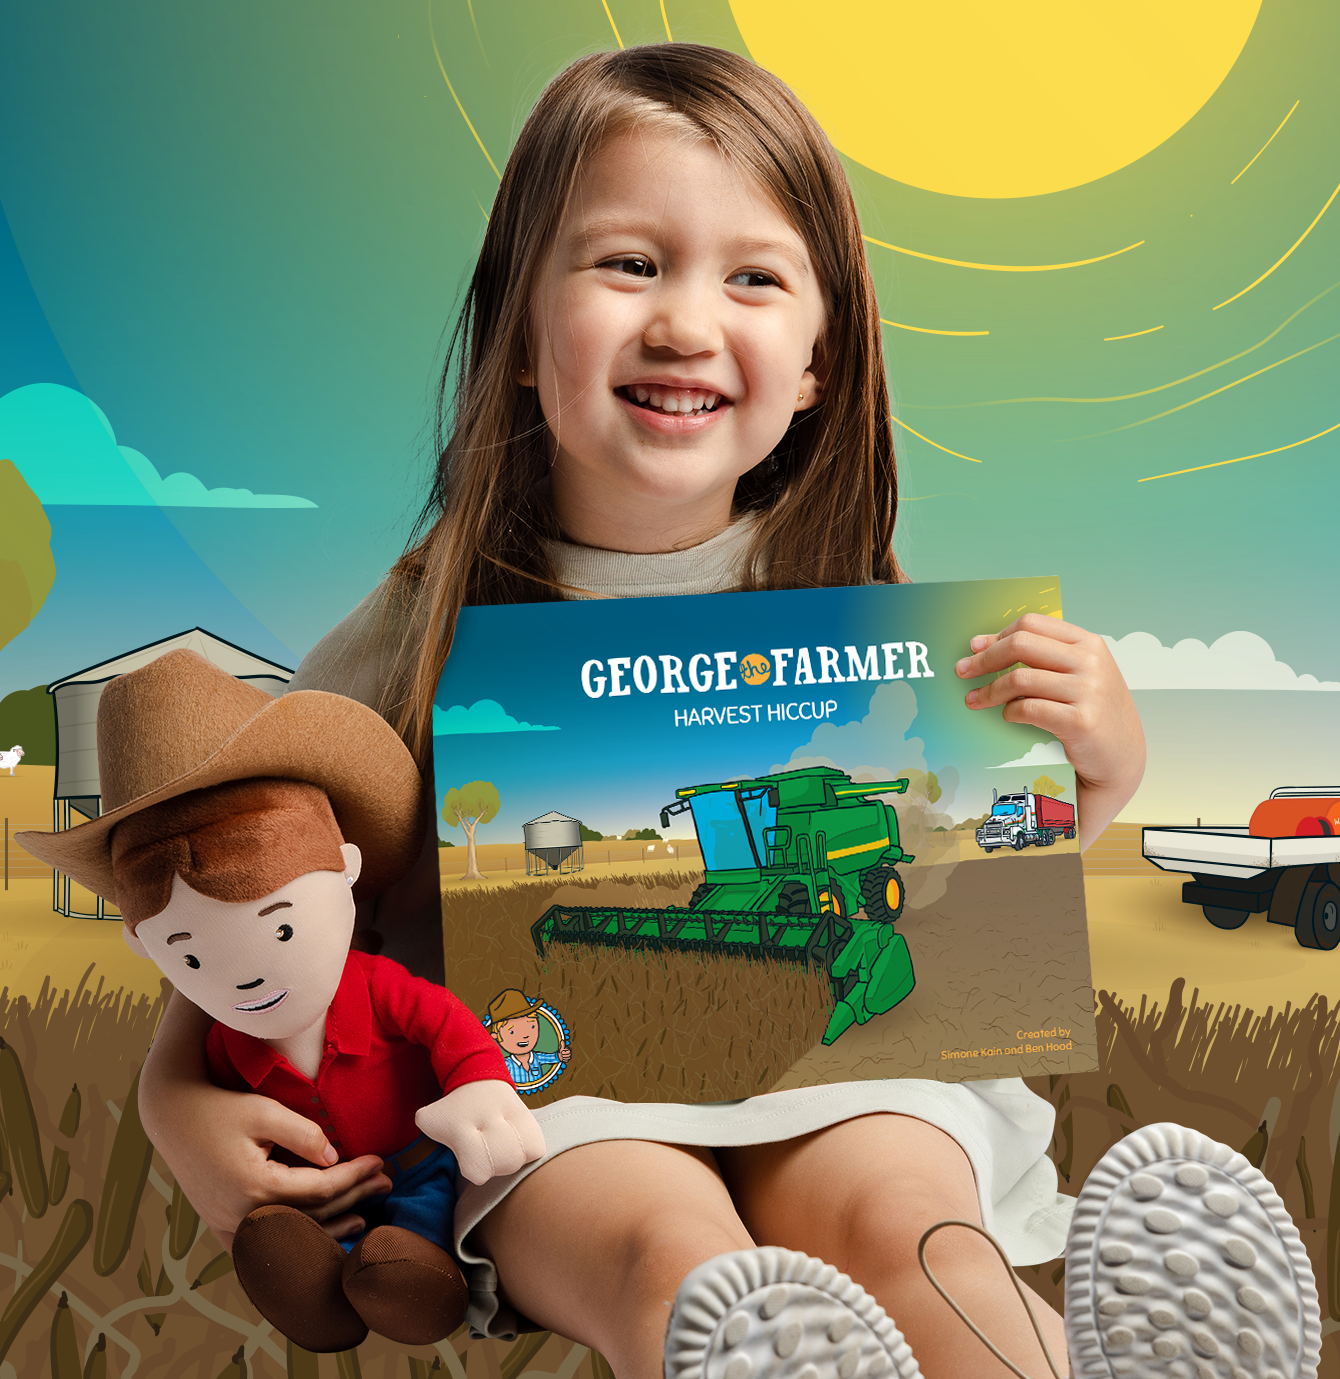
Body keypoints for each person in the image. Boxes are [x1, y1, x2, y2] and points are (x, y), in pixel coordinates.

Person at [131, 43, 1313, 1379]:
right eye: (628, 263)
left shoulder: (855, 612)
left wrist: (1101, 757)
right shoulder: (423, 622)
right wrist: (173, 1091)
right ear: (521, 333)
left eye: (753, 276)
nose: (687, 321)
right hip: (553, 1092)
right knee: (674, 1257)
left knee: (910, 1229)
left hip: (849, 1065)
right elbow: (253, 875)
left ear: (819, 362)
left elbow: (979, 843)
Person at [18, 651, 546, 1352]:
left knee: (414, 1232)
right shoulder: (222, 1045)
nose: (244, 978)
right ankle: (316, 1283)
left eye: (283, 926)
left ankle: (409, 1276)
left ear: (347, 870)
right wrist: (176, 1109)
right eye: (192, 954)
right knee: (288, 1240)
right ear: (145, 944)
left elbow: (441, 1020)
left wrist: (479, 1080)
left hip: (420, 1155)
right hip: (319, 1191)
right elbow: (202, 1083)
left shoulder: (376, 985)